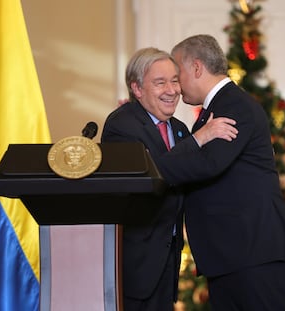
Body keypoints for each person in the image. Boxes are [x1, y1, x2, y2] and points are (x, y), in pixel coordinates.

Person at [151, 34, 285, 311]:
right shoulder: (217, 109)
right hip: (234, 255)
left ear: (196, 68)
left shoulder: (233, 105)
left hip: (253, 254)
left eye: (177, 72)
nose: (174, 84)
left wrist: (154, 168)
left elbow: (209, 164)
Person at [101, 47, 238, 311]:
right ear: (137, 89)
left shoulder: (178, 128)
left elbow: (194, 175)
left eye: (175, 80)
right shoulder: (122, 125)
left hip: (167, 259)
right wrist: (200, 139)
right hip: (136, 262)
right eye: (160, 82)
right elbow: (150, 176)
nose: (172, 90)